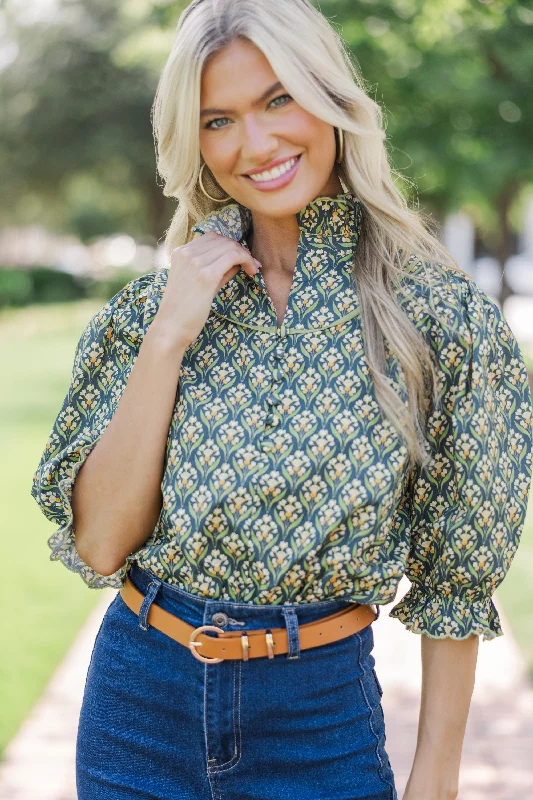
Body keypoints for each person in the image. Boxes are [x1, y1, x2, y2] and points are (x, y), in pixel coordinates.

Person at [30, 1, 533, 798]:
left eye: (277, 100)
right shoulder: (150, 313)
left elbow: (454, 583)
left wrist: (434, 777)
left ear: (331, 99)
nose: (255, 145)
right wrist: (168, 338)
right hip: (138, 706)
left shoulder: (440, 322)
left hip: (316, 723)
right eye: (218, 119)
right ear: (193, 142)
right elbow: (99, 544)